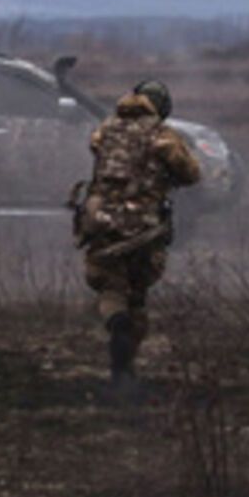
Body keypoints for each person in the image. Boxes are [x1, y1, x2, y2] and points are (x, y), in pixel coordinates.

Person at [72, 80, 201, 392]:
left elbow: (96, 147)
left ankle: (117, 329)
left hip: (101, 222)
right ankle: (126, 367)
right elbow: (191, 174)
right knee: (138, 295)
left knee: (110, 286)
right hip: (143, 229)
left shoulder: (105, 130)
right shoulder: (163, 136)